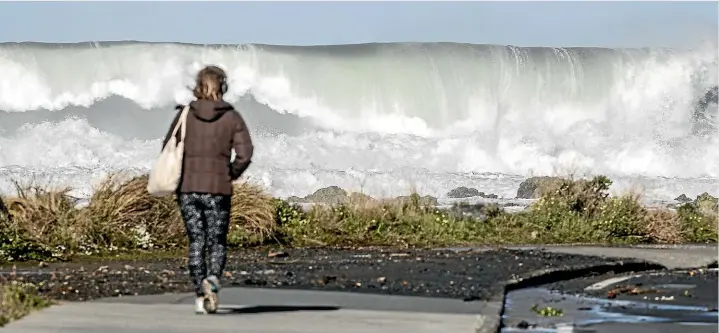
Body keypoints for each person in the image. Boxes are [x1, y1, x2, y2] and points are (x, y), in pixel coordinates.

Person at [162, 65, 254, 314]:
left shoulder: (185, 115)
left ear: (198, 86)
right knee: (216, 241)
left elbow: (168, 148)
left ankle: (200, 294)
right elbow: (245, 153)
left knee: (196, 241)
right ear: (223, 87)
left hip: (188, 189)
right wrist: (230, 173)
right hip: (218, 190)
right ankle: (212, 280)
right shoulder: (232, 117)